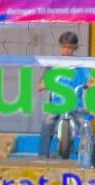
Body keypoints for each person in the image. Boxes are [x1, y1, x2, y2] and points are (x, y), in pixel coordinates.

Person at [37, 31, 91, 159]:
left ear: (75, 48)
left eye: (69, 48)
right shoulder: (53, 65)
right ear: (59, 46)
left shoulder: (81, 65)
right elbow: (40, 86)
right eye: (63, 47)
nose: (66, 50)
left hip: (75, 104)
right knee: (47, 124)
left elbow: (90, 81)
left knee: (86, 126)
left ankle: (88, 155)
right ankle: (42, 156)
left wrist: (92, 84)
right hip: (56, 104)